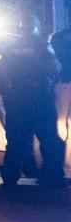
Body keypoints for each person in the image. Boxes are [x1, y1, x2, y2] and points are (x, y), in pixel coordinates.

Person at [0, 11, 66, 188]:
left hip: (17, 100)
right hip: (39, 99)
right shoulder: (42, 46)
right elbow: (55, 68)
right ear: (35, 27)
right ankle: (53, 176)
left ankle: (9, 175)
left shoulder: (9, 47)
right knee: (50, 140)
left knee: (15, 141)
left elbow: (1, 72)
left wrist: (8, 94)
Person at [50, 24, 71, 176]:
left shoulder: (58, 37)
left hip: (62, 81)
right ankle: (65, 165)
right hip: (65, 82)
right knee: (63, 122)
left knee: (61, 122)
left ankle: (62, 165)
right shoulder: (61, 37)